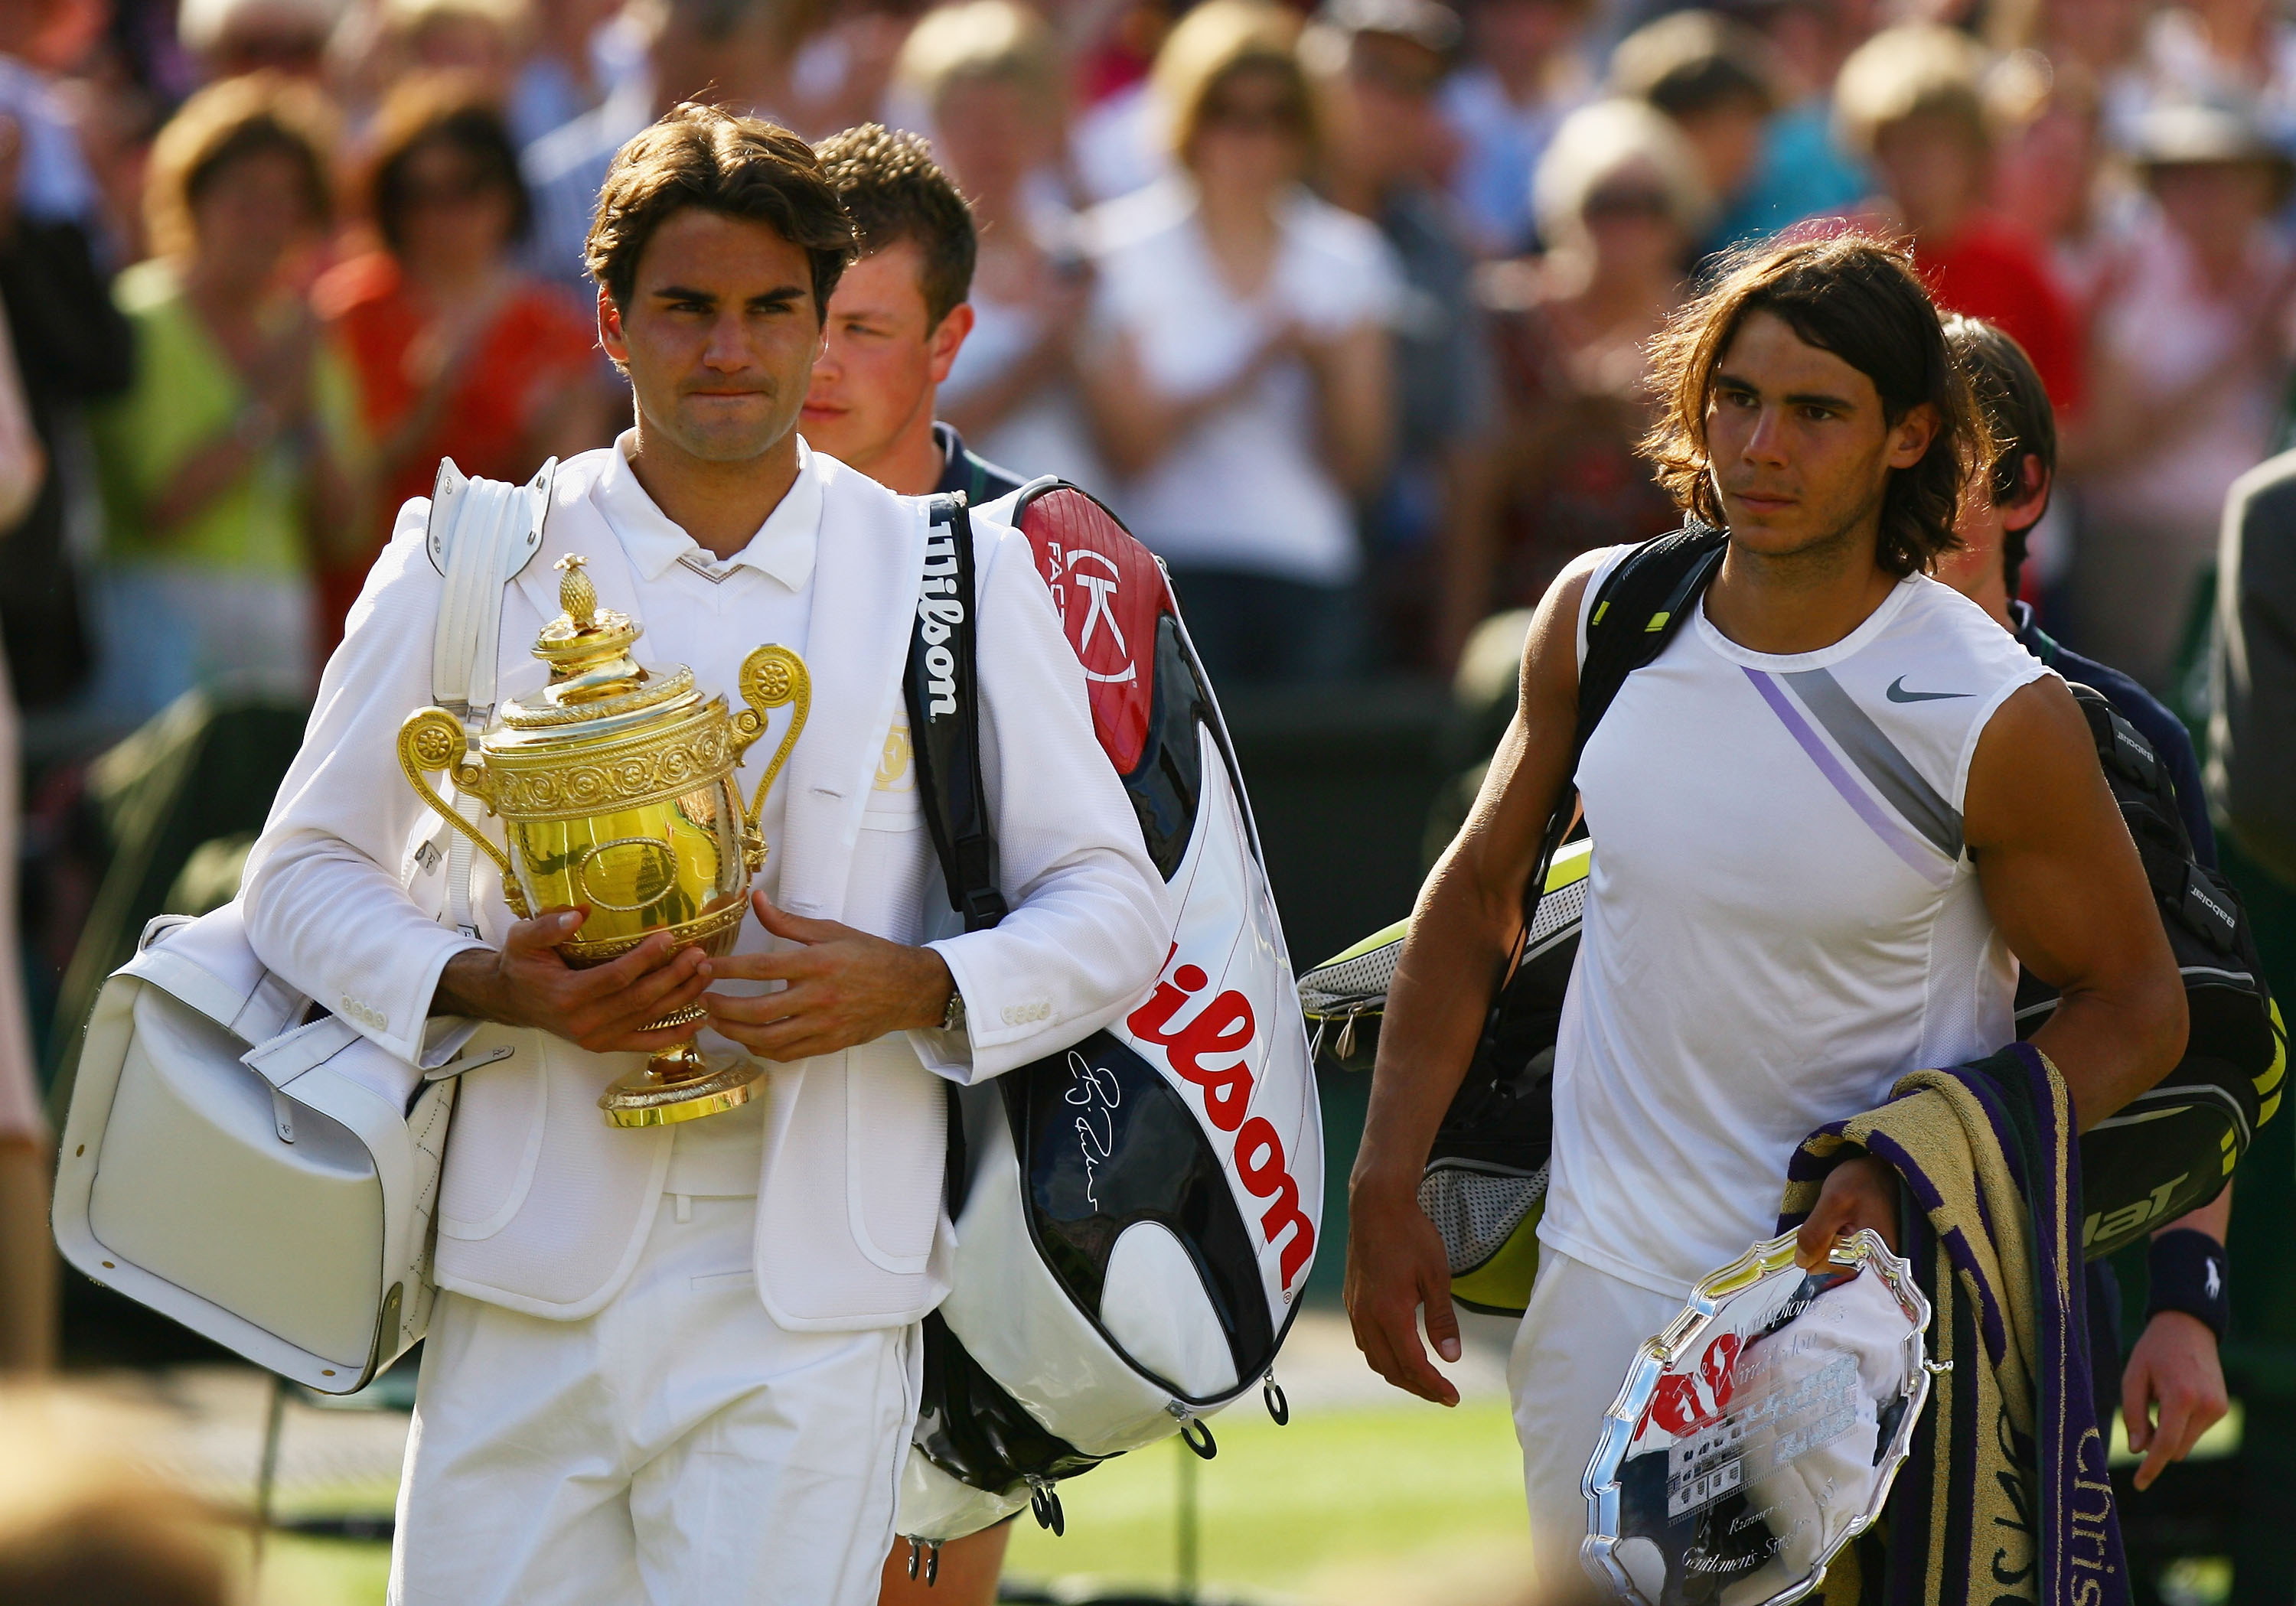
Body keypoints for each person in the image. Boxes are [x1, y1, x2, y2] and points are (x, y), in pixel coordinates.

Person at [240, 103, 1169, 1605]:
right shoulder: (470, 550)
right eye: (687, 306)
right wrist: (485, 979)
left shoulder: (958, 568)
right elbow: (295, 881)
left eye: (769, 309)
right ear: (611, 320)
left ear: (817, 327)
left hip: (815, 1295)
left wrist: (916, 981)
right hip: (524, 1273)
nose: (728, 349)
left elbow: (1114, 906)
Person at [1342, 233, 2187, 1597]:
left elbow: (2141, 1008)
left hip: (1856, 1326)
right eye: (1735, 397)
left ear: (1911, 435)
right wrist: (1384, 1179)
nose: (1760, 443)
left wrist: (1925, 1159)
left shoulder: (1993, 709)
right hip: (1596, 1293)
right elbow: (1480, 896)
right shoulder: (1601, 613)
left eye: (1815, 410)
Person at [1934, 314, 2231, 1494]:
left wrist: (2187, 1300)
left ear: (2022, 489)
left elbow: (2189, 1032)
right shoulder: (1748, 703)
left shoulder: (2123, 737)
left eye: (1942, 463)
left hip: (2040, 1290)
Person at [798, 116, 1021, 1606]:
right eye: (793, 313)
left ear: (950, 339)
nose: (811, 361)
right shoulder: (643, 523)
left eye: (861, 327)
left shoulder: (1045, 558)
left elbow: (1122, 909)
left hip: (963, 1168)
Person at [1079, 0, 1397, 686]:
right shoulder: (1116, 250)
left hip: (1308, 569)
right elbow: (1130, 451)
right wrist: (1254, 359)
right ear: (1190, 119)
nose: (1253, 137)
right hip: (1161, 569)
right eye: (1229, 111)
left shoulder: (1350, 258)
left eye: (1278, 115)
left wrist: (1322, 373)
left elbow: (1362, 470)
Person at [87, 72, 367, 728]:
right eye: (246, 198)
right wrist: (268, 407)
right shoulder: (137, 318)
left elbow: (347, 526)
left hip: (276, 628)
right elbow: (163, 504)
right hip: (154, 629)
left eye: (288, 204)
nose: (267, 224)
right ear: (193, 198)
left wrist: (313, 423)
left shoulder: (307, 339)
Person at [316, 74, 608, 653]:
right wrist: (425, 409)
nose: (445, 216)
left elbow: (567, 506)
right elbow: (329, 499)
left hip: (503, 611)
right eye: (419, 195)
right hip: (371, 600)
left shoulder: (554, 329)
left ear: (507, 193)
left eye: (467, 189)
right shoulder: (346, 314)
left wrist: (551, 432)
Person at [2065, 99, 2296, 694]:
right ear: (2160, 189)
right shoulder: (2128, 275)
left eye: (2230, 175)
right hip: (2144, 555)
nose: (2209, 195)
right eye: (2188, 177)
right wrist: (2240, 356)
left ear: (2265, 188)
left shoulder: (2282, 274)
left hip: (2269, 547)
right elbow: (2110, 445)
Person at [1463, 97, 1704, 643]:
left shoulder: (1705, 328)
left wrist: (1635, 426)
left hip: (1664, 609)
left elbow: (1721, 500)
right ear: (1566, 208)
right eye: (1607, 203)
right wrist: (1567, 415)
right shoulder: (1507, 315)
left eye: (1650, 204)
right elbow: (1470, 483)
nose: (1627, 224)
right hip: (1520, 606)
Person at [1306, 0, 1496, 673]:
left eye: (1418, 88)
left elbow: (1466, 452)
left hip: (1377, 583)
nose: (1391, 104)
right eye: (1373, 73)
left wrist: (1458, 637)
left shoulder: (1438, 246)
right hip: (1222, 566)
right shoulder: (1243, 202)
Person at [892, 1, 1107, 491]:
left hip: (1074, 545)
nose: (994, 138)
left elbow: (1135, 449)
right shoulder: (906, 264)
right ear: (935, 121)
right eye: (971, 116)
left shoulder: (1086, 257)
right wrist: (1045, 353)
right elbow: (906, 435)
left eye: (1013, 115)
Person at [1833, 23, 2084, 416]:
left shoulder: (2017, 269)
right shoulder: (1830, 257)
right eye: (1905, 142)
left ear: (1974, 152)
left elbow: (2055, 415)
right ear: (1874, 149)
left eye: (1941, 141)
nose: (1924, 161)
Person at [804, 123, 1017, 511]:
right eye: (799, 320)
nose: (819, 365)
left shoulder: (1035, 547)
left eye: (862, 329)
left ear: (945, 344)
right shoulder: (689, 533)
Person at [1606, 8, 1773, 260]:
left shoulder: (1723, 225)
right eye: (1731, 122)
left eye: (1753, 123)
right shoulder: (1614, 220)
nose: (1749, 147)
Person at [1437, 0, 1596, 257]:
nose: (1526, 30)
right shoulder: (1446, 104)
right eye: (1506, 12)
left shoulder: (1586, 105)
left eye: (1541, 12)